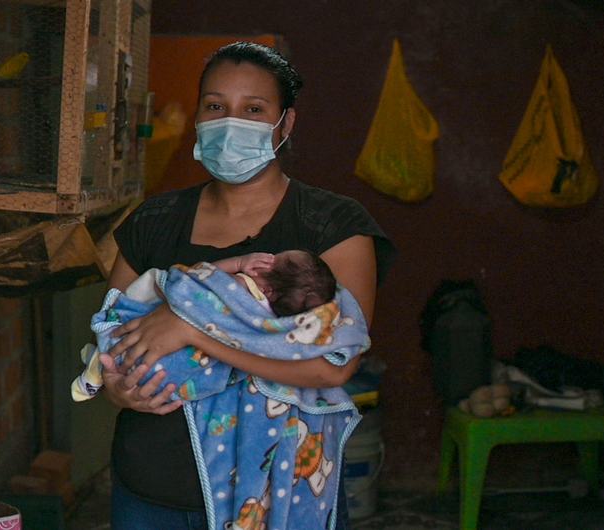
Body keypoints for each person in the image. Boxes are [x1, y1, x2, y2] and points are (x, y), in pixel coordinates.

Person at [99, 41, 395, 530]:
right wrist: (115, 389)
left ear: (286, 123)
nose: (230, 122)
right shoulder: (153, 222)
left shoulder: (332, 227)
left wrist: (194, 331)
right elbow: (112, 335)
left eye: (253, 109)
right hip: (151, 492)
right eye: (216, 106)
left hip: (281, 497)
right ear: (198, 117)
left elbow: (332, 368)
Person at [71, 250, 338, 402]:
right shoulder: (267, 326)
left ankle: (99, 362)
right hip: (175, 381)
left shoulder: (239, 284)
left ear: (265, 281)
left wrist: (237, 264)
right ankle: (99, 363)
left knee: (154, 282)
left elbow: (196, 278)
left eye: (273, 258)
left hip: (143, 348)